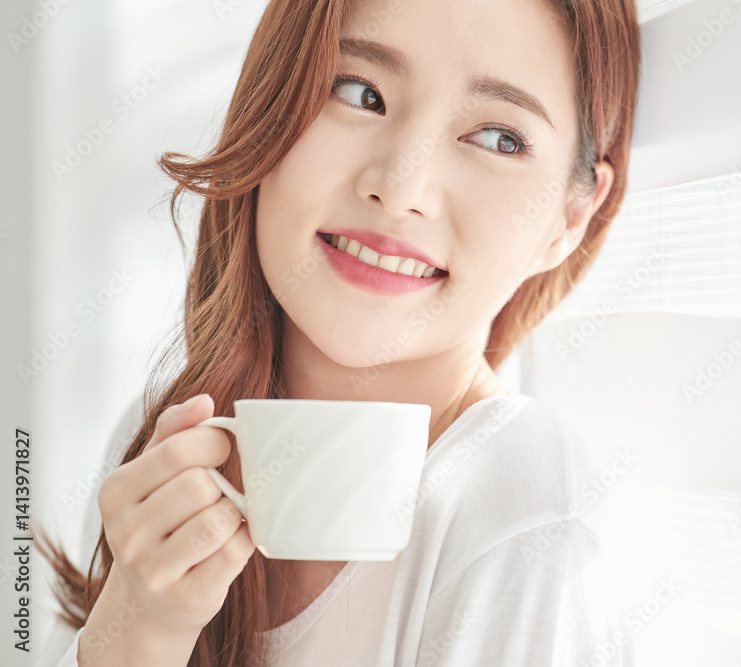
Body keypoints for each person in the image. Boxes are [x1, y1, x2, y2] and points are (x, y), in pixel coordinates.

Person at [36, 0, 641, 664]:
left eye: (501, 138)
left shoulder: (526, 513)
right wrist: (140, 632)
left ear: (573, 216)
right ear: (271, 98)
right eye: (360, 93)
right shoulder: (167, 448)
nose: (401, 186)